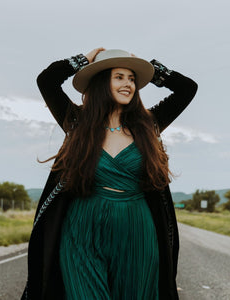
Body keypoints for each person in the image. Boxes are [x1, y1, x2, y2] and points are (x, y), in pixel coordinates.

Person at [22, 48, 198, 300]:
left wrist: (150, 67)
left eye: (132, 78)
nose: (128, 84)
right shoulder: (76, 121)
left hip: (136, 228)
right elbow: (47, 80)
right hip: (82, 228)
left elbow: (187, 88)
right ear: (102, 81)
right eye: (119, 77)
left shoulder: (149, 123)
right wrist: (85, 59)